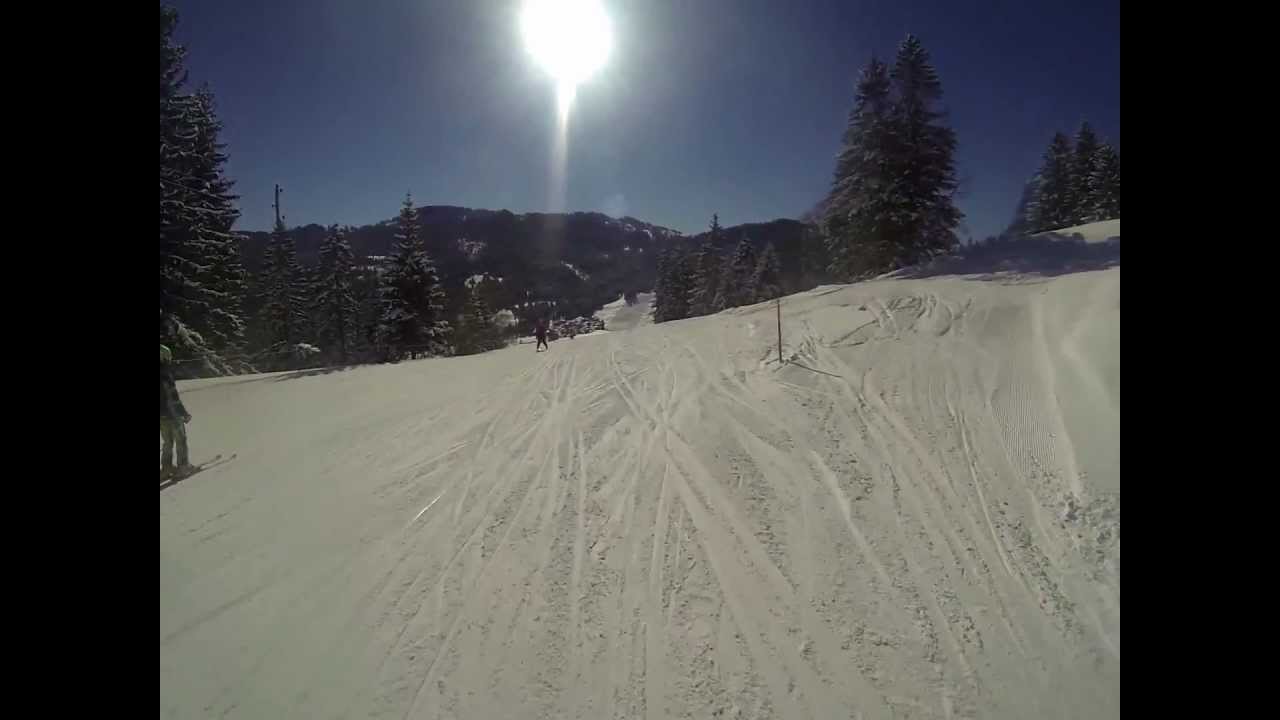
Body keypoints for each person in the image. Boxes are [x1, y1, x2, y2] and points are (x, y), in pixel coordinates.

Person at [160, 344, 193, 478]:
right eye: (168, 357)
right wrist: (183, 413)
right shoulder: (165, 374)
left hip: (161, 416)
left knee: (167, 441)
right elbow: (173, 397)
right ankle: (183, 467)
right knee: (181, 440)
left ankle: (166, 468)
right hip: (172, 413)